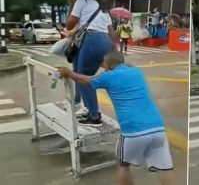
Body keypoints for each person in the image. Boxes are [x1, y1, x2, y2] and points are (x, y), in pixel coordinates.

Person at [57, 51, 174, 185]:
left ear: (106, 65)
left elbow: (84, 81)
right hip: (157, 128)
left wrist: (69, 73)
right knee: (164, 167)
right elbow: (127, 66)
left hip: (132, 131)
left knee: (123, 165)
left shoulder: (108, 76)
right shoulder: (137, 73)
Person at [65, 0, 116, 126]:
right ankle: (89, 110)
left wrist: (71, 4)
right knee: (83, 76)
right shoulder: (101, 6)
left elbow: (69, 24)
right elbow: (110, 30)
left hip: (92, 40)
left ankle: (94, 116)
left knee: (82, 78)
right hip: (105, 41)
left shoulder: (82, 0)